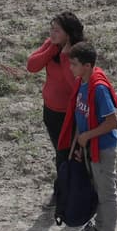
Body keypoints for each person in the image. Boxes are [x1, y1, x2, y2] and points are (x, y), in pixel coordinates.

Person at [58, 41, 117, 231]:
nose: (70, 68)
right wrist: (78, 142)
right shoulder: (83, 82)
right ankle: (98, 229)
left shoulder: (98, 87)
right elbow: (81, 115)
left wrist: (86, 136)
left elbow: (113, 122)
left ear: (86, 65)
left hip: (102, 149)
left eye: (74, 64)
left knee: (107, 195)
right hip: (89, 148)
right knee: (98, 191)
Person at [26, 12, 84, 208]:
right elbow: (32, 66)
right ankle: (66, 191)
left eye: (56, 30)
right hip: (50, 112)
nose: (52, 32)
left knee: (65, 153)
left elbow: (74, 84)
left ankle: (63, 193)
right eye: (51, 28)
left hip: (70, 115)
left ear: (68, 34)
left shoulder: (78, 53)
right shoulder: (50, 45)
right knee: (63, 153)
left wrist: (65, 56)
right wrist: (52, 51)